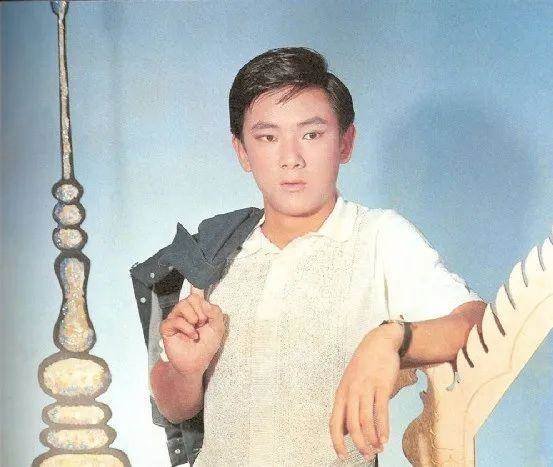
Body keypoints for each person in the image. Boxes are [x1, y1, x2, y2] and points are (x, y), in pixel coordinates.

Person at [148, 47, 486, 466]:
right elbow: (174, 406)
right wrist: (186, 371)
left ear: (345, 142)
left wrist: (392, 338)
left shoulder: (377, 238)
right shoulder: (216, 250)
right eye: (268, 138)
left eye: (311, 134)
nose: (291, 159)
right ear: (242, 152)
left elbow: (477, 324)